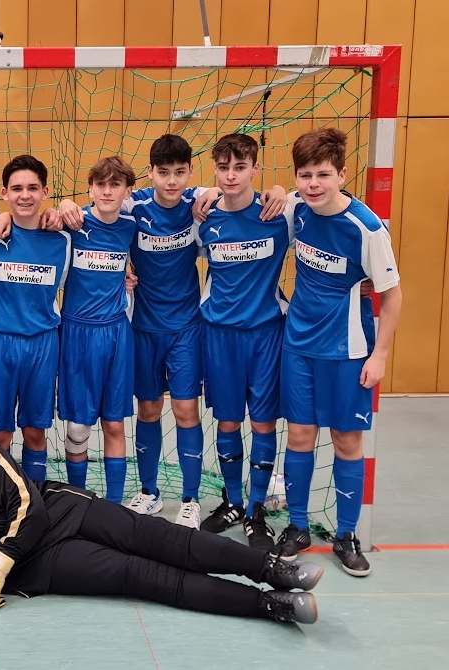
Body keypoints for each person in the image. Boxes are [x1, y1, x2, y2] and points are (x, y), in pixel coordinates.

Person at [0, 398, 322, 624]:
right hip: (38, 566)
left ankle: (272, 569)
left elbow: (29, 507)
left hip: (60, 512)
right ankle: (271, 605)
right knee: (143, 576)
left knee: (166, 539)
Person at [59, 138, 286, 526]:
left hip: (187, 328)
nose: (171, 181)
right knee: (147, 410)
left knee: (185, 410)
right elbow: (98, 206)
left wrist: (276, 189)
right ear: (150, 173)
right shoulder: (133, 207)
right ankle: (149, 492)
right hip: (142, 328)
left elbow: (235, 193)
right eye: (163, 173)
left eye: (180, 173)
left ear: (190, 173)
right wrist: (64, 204)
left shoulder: (200, 205)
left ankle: (190, 499)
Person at [276, 128, 402, 577]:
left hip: (348, 351)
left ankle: (346, 534)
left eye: (323, 175)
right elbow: (265, 198)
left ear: (342, 174)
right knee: (298, 436)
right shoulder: (296, 207)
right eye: (305, 175)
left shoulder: (366, 228)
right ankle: (296, 526)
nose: (314, 184)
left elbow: (392, 294)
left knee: (347, 440)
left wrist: (380, 354)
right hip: (298, 346)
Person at [195, 133, 294, 550]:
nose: (231, 175)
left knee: (264, 423)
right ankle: (233, 501)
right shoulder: (203, 218)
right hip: (219, 336)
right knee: (228, 421)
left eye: (240, 167)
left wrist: (281, 189)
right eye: (223, 168)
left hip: (266, 334)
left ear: (256, 168)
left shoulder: (281, 214)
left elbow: (327, 202)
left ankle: (256, 510)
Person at [54, 157, 140, 503]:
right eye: (100, 184)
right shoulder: (72, 223)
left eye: (115, 184)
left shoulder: (131, 225)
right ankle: (78, 502)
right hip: (77, 333)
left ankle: (114, 506)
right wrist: (62, 203)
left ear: (127, 191)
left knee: (115, 423)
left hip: (116, 333)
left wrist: (128, 279)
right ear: (89, 189)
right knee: (78, 427)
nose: (107, 191)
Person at [0, 155, 72, 483]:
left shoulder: (62, 239)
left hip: (43, 343)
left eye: (33, 188)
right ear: (4, 193)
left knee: (35, 431)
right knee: (0, 434)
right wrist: (2, 216)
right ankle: (1, 500)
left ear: (45, 192)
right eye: (17, 188)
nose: (25, 195)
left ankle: (35, 499)